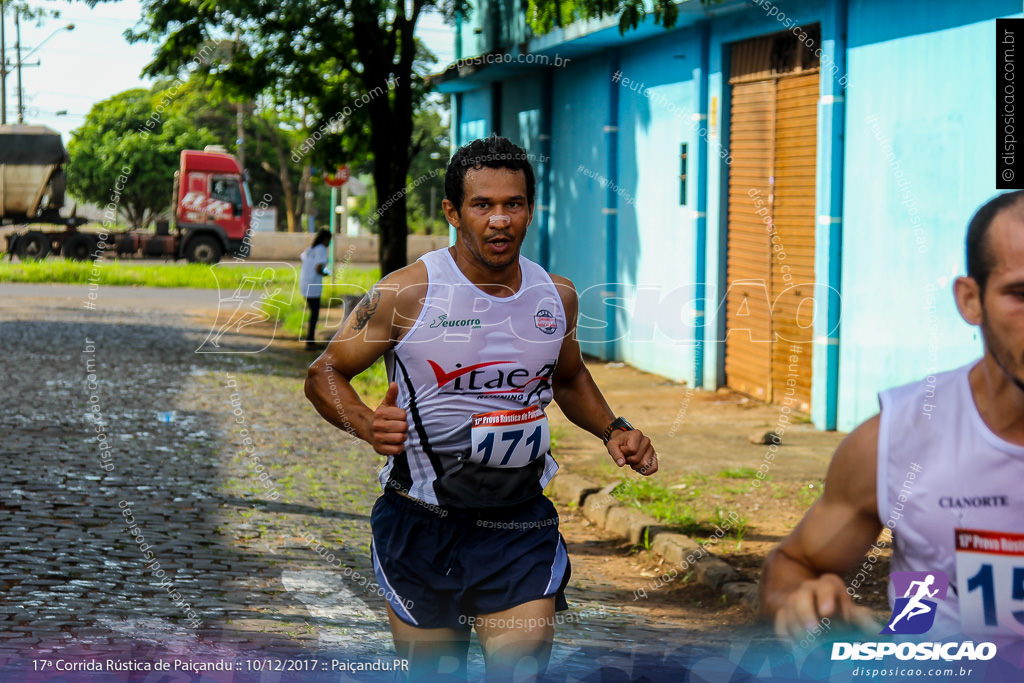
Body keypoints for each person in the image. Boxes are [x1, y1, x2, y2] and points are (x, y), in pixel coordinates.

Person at [305, 136, 658, 681]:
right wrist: (367, 424)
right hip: (421, 525)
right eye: (483, 205)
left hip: (517, 526)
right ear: (452, 211)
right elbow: (324, 372)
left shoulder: (555, 296)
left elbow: (567, 378)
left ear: (530, 210)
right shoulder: (407, 295)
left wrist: (613, 428)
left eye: (513, 204)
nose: (500, 220)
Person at [761, 191, 1024, 648]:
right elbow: (793, 564)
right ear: (971, 300)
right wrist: (803, 604)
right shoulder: (901, 438)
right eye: (1021, 294)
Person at [299, 229, 331, 349]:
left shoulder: (310, 249)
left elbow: (304, 260)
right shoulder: (321, 249)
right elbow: (319, 268)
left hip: (304, 284)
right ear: (325, 239)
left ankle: (310, 339)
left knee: (313, 312)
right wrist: (327, 273)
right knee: (315, 313)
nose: (330, 243)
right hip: (313, 286)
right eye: (329, 240)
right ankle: (310, 341)